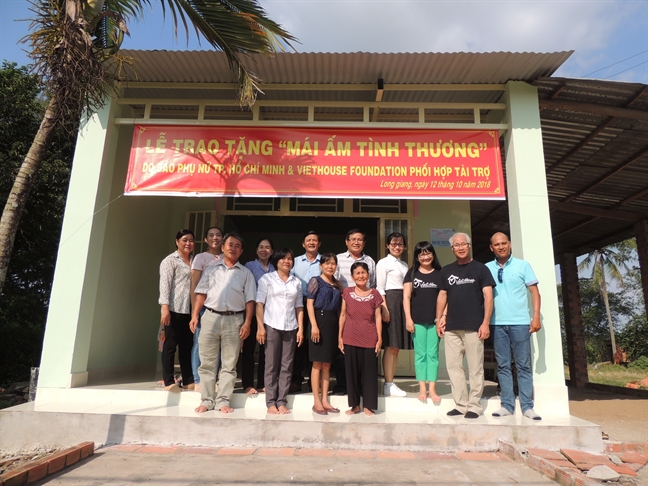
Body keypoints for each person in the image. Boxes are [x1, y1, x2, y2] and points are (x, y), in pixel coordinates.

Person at [191, 233, 256, 414]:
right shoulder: (211, 270)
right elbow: (201, 294)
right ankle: (206, 400)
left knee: (229, 363)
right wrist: (195, 315)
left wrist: (247, 323)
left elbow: (250, 300)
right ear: (223, 247)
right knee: (207, 362)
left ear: (241, 251)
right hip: (210, 317)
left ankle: (223, 401)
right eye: (230, 244)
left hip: (234, 320)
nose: (233, 248)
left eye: (237, 246)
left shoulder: (246, 273)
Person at [436, 232, 496, 419]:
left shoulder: (481, 269)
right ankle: (460, 405)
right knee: (454, 367)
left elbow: (488, 297)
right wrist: (439, 319)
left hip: (474, 327)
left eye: (464, 244)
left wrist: (485, 323)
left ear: (469, 246)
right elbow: (443, 296)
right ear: (452, 249)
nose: (460, 247)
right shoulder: (446, 271)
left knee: (475, 367)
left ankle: (474, 406)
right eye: (456, 245)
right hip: (452, 327)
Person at [486, 232, 543, 421]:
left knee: (523, 365)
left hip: (520, 322)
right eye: (497, 244)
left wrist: (535, 317)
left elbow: (535, 293)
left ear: (509, 244)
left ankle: (527, 406)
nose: (501, 246)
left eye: (504, 243)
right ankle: (507, 405)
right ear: (491, 247)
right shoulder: (486, 268)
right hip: (497, 323)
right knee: (502, 366)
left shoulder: (523, 265)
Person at [256, 248, 304, 415]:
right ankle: (270, 402)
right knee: (271, 365)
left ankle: (282, 401)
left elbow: (299, 307)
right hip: (271, 326)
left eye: (290, 258)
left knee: (286, 366)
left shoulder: (296, 282)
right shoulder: (267, 279)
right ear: (276, 261)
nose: (287, 261)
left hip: (291, 327)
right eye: (283, 258)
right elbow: (259, 304)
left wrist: (301, 329)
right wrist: (261, 327)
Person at [333, 229, 377, 394]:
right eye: (353, 239)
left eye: (360, 240)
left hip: (364, 310)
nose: (356, 242)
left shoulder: (370, 261)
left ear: (364, 243)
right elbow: (333, 280)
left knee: (361, 349)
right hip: (342, 307)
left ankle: (360, 387)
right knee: (342, 347)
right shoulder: (338, 259)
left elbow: (373, 284)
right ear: (347, 241)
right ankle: (342, 385)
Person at [338, 262, 383, 416]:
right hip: (350, 337)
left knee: (369, 374)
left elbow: (378, 317)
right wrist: (340, 336)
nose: (361, 276)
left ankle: (368, 406)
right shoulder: (347, 292)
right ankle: (355, 405)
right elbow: (343, 315)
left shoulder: (375, 293)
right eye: (357, 273)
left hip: (370, 337)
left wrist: (380, 338)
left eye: (363, 273)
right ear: (352, 276)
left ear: (368, 275)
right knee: (352, 373)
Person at [403, 241, 443, 403]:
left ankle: (432, 389)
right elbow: (406, 297)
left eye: (428, 253)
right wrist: (408, 319)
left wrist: (443, 318)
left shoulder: (440, 273)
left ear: (433, 254)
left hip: (435, 321)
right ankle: (422, 389)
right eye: (421, 254)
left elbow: (445, 298)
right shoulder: (411, 273)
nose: (425, 257)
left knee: (432, 354)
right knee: (420, 355)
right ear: (417, 257)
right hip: (417, 320)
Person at [158, 229, 196, 392]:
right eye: (184, 240)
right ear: (177, 241)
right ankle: (168, 381)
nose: (188, 243)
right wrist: (164, 308)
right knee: (170, 346)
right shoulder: (170, 261)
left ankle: (188, 380)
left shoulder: (194, 261)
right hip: (173, 308)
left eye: (191, 240)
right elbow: (165, 284)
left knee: (187, 346)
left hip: (189, 310)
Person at [306, 253, 343, 415]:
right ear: (321, 265)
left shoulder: (338, 285)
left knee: (327, 364)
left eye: (333, 263)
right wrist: (314, 325)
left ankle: (325, 400)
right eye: (327, 263)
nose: (330, 266)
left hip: (332, 323)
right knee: (317, 363)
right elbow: (309, 304)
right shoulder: (316, 281)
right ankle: (316, 400)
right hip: (318, 321)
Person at [189, 226, 224, 392]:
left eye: (218, 235)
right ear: (205, 240)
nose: (215, 238)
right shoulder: (200, 258)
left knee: (217, 346)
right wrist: (194, 311)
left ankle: (214, 380)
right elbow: (194, 285)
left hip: (221, 308)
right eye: (211, 235)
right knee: (199, 344)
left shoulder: (227, 256)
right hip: (203, 307)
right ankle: (198, 380)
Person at [376, 232, 410, 397]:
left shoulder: (404, 264)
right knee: (390, 345)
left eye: (400, 243)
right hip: (390, 301)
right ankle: (388, 384)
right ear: (387, 245)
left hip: (403, 302)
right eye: (394, 243)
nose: (397, 246)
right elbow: (380, 287)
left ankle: (391, 382)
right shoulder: (383, 263)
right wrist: (384, 308)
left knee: (396, 346)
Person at [242, 238, 275, 395]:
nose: (264, 250)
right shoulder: (249, 266)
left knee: (265, 351)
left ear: (272, 251)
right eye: (261, 247)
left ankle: (262, 383)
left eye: (267, 247)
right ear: (256, 251)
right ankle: (248, 384)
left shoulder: (274, 268)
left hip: (269, 315)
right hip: (252, 313)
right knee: (248, 349)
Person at [290, 230, 322, 392]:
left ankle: (313, 380)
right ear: (303, 244)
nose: (311, 243)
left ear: (319, 244)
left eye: (314, 240)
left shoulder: (324, 262)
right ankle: (295, 379)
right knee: (298, 342)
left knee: (315, 342)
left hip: (318, 305)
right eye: (308, 240)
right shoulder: (294, 262)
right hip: (298, 304)